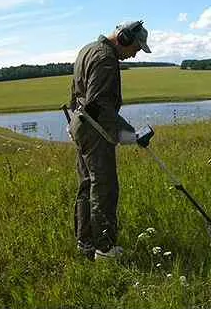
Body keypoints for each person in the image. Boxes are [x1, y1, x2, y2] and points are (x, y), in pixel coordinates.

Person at [68, 20, 152, 261]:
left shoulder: (87, 49)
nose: (135, 54)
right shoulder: (106, 59)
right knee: (104, 187)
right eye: (135, 47)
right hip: (94, 130)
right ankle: (104, 248)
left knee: (87, 185)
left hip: (81, 125)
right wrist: (131, 133)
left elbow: (75, 92)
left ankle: (85, 243)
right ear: (123, 38)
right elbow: (99, 106)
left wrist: (73, 119)